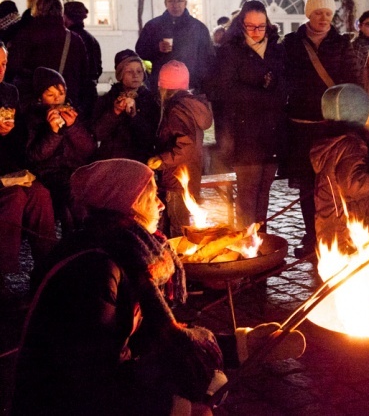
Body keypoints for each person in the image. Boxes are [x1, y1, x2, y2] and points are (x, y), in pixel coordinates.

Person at [11, 158, 223, 415]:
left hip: (101, 386)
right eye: (152, 196)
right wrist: (179, 408)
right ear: (128, 203)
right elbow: (89, 380)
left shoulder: (127, 251)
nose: (161, 204)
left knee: (210, 379)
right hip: (59, 402)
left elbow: (149, 338)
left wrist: (241, 345)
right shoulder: (95, 269)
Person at [283, 0, 361, 257]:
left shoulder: (341, 43)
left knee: (331, 184)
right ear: (309, 14)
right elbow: (285, 79)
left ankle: (332, 235)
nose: (324, 18)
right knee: (307, 185)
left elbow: (353, 80)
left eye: (328, 13)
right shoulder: (292, 44)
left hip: (331, 127)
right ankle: (312, 236)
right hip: (301, 127)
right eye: (318, 13)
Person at [208, 0, 287, 230]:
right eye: (250, 26)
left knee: (264, 190)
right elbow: (225, 91)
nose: (256, 32)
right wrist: (262, 89)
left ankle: (260, 239)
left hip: (272, 132)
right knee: (247, 192)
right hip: (245, 134)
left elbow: (284, 85)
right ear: (241, 25)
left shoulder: (275, 49)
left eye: (260, 26)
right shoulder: (230, 51)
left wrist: (272, 87)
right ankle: (245, 242)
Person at [311, 84, 369, 252]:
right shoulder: (351, 144)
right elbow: (356, 186)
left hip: (334, 225)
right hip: (348, 230)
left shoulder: (333, 142)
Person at [0, 42, 56, 294]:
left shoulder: (9, 92)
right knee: (14, 198)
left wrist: (10, 132)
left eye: (2, 64)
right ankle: (4, 270)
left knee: (40, 194)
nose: (0, 69)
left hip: (7, 170)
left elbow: (19, 145)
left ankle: (47, 265)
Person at [25, 67, 96, 230]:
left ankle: (86, 237)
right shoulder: (33, 119)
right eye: (50, 95)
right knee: (68, 196)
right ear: (39, 98)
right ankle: (76, 240)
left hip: (77, 170)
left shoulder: (76, 113)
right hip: (49, 174)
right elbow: (35, 156)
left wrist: (72, 127)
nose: (57, 99)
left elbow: (89, 149)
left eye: (61, 93)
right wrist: (53, 132)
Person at [147, 61, 213, 238]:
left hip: (177, 180)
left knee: (177, 231)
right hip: (188, 176)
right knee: (180, 226)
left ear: (163, 86)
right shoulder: (190, 105)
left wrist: (162, 159)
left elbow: (186, 144)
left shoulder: (176, 109)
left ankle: (179, 265)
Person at [7, 0, 95, 118]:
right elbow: (85, 75)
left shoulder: (25, 36)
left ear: (37, 10)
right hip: (66, 106)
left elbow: (11, 68)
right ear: (61, 12)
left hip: (33, 108)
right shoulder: (75, 39)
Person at [135, 0, 215, 94]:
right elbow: (140, 50)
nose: (175, 5)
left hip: (190, 87)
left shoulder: (198, 28)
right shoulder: (153, 26)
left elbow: (208, 58)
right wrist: (156, 48)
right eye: (171, 1)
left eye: (179, 1)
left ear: (185, 2)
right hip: (161, 87)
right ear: (165, 3)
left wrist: (200, 84)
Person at [92, 49, 159, 162]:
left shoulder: (151, 101)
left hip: (140, 162)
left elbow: (151, 137)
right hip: (112, 161)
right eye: (129, 72)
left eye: (139, 71)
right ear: (120, 75)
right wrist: (115, 113)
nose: (135, 75)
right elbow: (98, 133)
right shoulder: (107, 99)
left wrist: (134, 116)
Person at [63, 1, 103, 85]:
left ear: (66, 17)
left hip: (72, 88)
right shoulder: (92, 39)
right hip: (89, 89)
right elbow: (97, 68)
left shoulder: (67, 38)